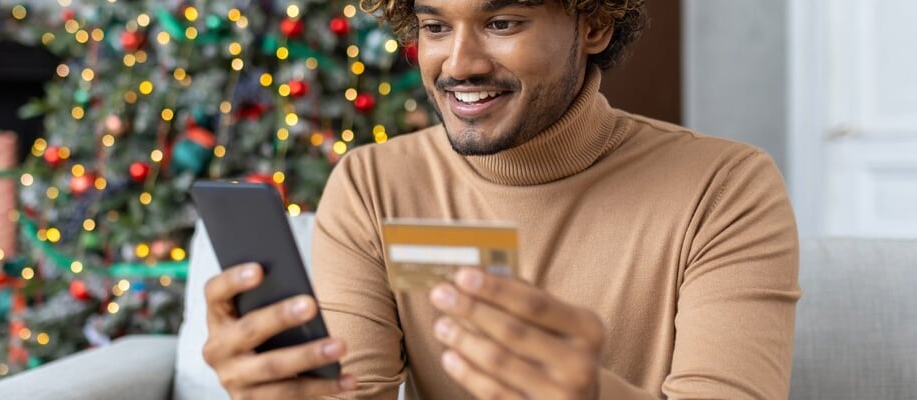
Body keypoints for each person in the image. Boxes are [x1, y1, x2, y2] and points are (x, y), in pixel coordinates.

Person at [201, 0, 800, 399]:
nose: (458, 64)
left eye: (503, 22)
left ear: (593, 25)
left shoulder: (724, 188)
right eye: (435, 27)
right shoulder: (373, 184)